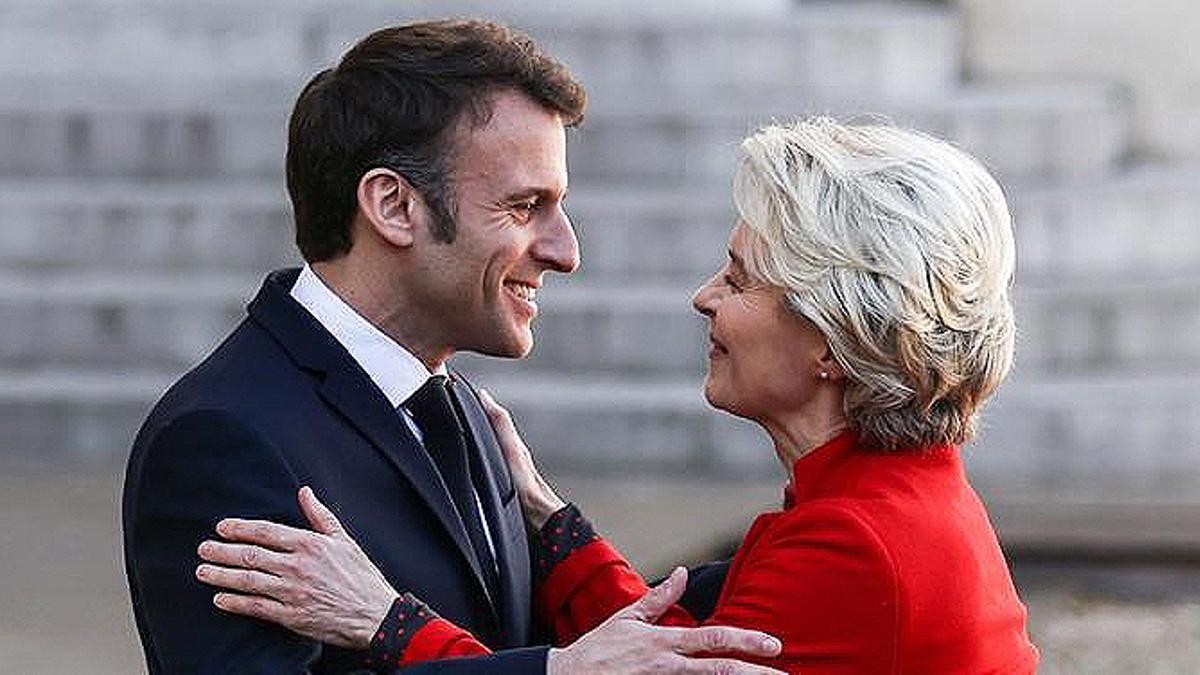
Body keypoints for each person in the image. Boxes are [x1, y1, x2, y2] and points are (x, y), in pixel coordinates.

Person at [196, 118, 1041, 673]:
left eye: (740, 278)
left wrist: (383, 619)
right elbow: (662, 657)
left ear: (830, 337)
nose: (705, 296)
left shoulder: (854, 545)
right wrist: (551, 522)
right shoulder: (886, 497)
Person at [122, 19, 784, 675]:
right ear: (394, 206)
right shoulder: (224, 437)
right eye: (526, 207)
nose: (566, 251)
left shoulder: (463, 410)